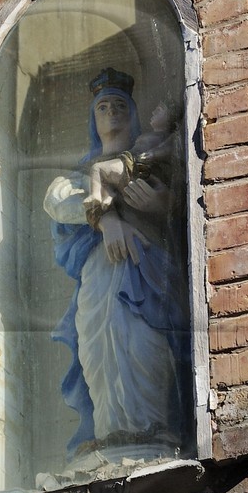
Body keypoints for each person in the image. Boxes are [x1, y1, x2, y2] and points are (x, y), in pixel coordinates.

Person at [45, 67, 189, 465]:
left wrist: (162, 208)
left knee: (144, 345)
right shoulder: (81, 174)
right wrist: (107, 221)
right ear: (93, 117)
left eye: (120, 106)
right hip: (99, 279)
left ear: (134, 113)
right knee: (100, 351)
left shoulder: (150, 159)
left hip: (149, 270)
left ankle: (153, 429)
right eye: (103, 107)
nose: (112, 113)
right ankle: (110, 435)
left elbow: (182, 207)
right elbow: (58, 201)